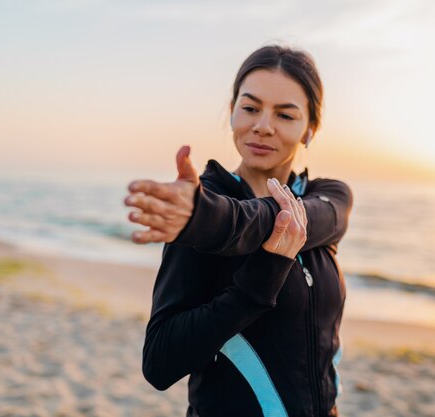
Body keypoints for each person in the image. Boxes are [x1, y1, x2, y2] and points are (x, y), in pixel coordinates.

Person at [124, 45, 353, 417]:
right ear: (232, 112)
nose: (263, 125)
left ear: (310, 129)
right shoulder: (198, 215)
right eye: (250, 108)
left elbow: (273, 218)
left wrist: (205, 216)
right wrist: (257, 281)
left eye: (285, 114)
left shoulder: (327, 198)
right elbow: (159, 363)